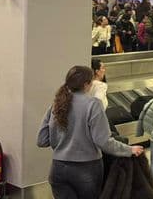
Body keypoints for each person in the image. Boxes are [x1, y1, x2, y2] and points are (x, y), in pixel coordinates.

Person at [37, 66, 144, 198]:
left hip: (58, 169)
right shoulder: (93, 105)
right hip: (87, 170)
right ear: (86, 84)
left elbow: (41, 140)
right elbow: (103, 141)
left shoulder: (57, 105)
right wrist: (128, 150)